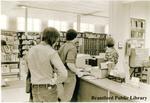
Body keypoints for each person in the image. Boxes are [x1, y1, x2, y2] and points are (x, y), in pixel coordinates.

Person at [26, 27, 68, 102]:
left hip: (34, 88)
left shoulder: (31, 50)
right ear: (53, 39)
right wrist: (55, 81)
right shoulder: (51, 51)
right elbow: (64, 74)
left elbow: (28, 68)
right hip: (48, 88)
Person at [58, 29, 83, 102]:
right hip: (69, 76)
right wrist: (78, 72)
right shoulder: (72, 47)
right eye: (77, 37)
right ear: (75, 37)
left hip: (61, 75)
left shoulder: (63, 46)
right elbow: (69, 64)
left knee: (61, 97)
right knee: (67, 98)